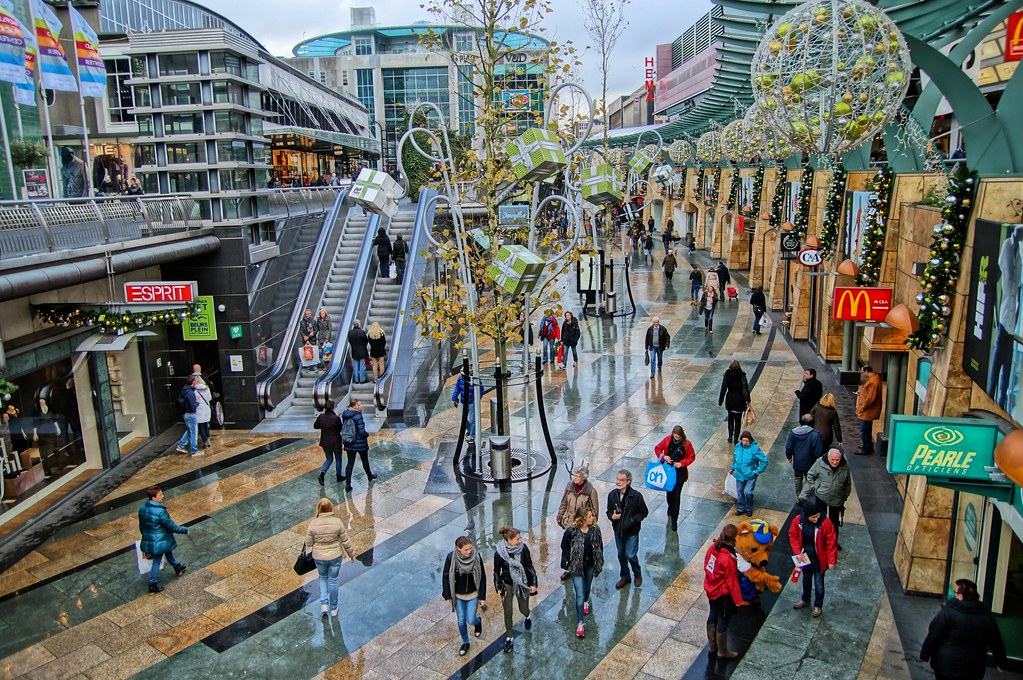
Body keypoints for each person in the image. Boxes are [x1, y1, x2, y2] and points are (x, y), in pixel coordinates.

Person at [920, 578, 1007, 680]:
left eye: (955, 592)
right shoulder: (987, 617)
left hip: (945, 665)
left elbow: (933, 634)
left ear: (960, 596)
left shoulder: (947, 612)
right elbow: (996, 642)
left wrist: (925, 654)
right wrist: (1001, 663)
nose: (954, 594)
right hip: (973, 668)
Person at [306, 498, 356, 618]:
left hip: (319, 558)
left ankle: (324, 605)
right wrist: (352, 554)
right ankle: (334, 608)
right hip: (335, 557)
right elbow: (345, 541)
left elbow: (308, 543)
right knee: (333, 581)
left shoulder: (313, 523)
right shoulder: (337, 522)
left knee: (323, 578)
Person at [788, 499, 838, 618]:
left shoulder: (825, 523)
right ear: (807, 516)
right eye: (813, 517)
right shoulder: (798, 521)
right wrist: (797, 553)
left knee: (819, 582)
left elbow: (831, 542)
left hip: (819, 559)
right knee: (806, 579)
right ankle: (805, 600)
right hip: (805, 557)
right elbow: (793, 535)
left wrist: (831, 560)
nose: (816, 519)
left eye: (817, 516)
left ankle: (818, 606)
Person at [561, 509, 604, 639]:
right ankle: (580, 622)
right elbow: (564, 545)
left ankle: (586, 600)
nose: (593, 518)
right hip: (576, 566)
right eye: (590, 516)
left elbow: (599, 545)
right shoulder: (571, 531)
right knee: (579, 592)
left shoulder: (595, 530)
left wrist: (599, 559)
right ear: (583, 518)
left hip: (590, 564)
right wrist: (570, 559)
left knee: (587, 587)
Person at [494, 526, 538, 653]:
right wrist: (498, 587)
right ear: (509, 540)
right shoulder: (499, 553)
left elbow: (529, 566)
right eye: (517, 539)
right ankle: (509, 637)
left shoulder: (523, 549)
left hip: (522, 582)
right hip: (507, 583)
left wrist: (533, 583)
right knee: (507, 612)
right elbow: (496, 571)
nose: (520, 540)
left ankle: (527, 616)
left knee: (523, 608)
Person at [703, 525, 744, 660]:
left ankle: (712, 646)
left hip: (711, 590)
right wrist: (738, 600)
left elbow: (706, 566)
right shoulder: (728, 558)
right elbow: (732, 580)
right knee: (723, 620)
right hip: (723, 595)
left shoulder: (713, 548)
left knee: (712, 615)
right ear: (733, 539)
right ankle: (722, 651)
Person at [138, 485, 188, 593]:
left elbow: (142, 527)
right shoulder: (160, 512)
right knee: (157, 560)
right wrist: (184, 530)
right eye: (160, 494)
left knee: (167, 550)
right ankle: (152, 584)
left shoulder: (142, 508)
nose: (163, 496)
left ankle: (177, 566)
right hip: (159, 540)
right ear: (153, 498)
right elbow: (171, 526)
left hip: (153, 538)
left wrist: (146, 538)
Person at [442, 536, 487, 657]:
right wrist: (447, 595)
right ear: (459, 549)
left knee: (470, 619)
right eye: (466, 549)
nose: (469, 552)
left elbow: (482, 577)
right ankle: (465, 642)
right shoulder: (451, 558)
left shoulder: (476, 557)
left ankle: (478, 622)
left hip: (473, 594)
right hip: (458, 595)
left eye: (470, 549)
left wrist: (482, 597)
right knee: (461, 620)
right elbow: (446, 575)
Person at [799, 448, 852, 546]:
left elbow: (847, 484)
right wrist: (816, 487)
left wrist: (843, 498)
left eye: (837, 460)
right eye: (833, 459)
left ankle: (833, 542)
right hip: (821, 497)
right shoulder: (819, 463)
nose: (835, 462)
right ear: (828, 457)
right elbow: (810, 475)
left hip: (836, 500)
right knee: (820, 520)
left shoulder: (845, 467)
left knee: (834, 523)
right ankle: (820, 540)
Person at [607, 469, 649, 589]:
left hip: (631, 531)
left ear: (628, 481)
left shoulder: (636, 496)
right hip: (618, 530)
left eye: (621, 480)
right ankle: (625, 576)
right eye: (617, 479)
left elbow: (644, 512)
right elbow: (609, 511)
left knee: (630, 555)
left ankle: (637, 573)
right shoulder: (612, 495)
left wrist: (632, 520)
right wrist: (612, 516)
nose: (618, 482)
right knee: (621, 554)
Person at [557, 462, 599, 581]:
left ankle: (582, 567)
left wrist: (591, 524)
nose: (574, 478)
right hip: (569, 522)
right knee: (567, 545)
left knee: (580, 547)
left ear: (584, 477)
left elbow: (595, 511)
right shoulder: (569, 486)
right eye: (574, 475)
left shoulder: (591, 491)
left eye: (577, 476)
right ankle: (567, 568)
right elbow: (564, 502)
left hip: (583, 525)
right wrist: (560, 515)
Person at [654, 425, 696, 531]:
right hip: (668, 471)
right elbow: (658, 448)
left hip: (680, 473)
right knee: (669, 493)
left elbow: (691, 457)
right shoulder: (667, 440)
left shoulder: (687, 444)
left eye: (678, 437)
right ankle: (670, 507)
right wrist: (664, 457)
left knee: (676, 495)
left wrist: (681, 463)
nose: (676, 438)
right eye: (675, 436)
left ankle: (674, 519)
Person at [341, 399, 377, 492]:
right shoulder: (357, 416)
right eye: (359, 405)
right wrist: (366, 435)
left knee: (350, 463)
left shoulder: (345, 414)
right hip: (360, 442)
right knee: (365, 460)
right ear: (355, 406)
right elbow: (361, 431)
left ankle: (348, 484)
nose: (361, 406)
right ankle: (369, 476)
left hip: (349, 441)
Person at [730, 431, 768, 517]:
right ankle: (741, 508)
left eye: (747, 441)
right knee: (740, 492)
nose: (745, 443)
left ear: (750, 440)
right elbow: (736, 459)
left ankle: (749, 508)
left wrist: (757, 471)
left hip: (750, 475)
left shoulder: (755, 449)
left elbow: (764, 461)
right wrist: (732, 468)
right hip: (739, 474)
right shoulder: (738, 447)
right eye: (743, 440)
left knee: (748, 492)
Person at [786, 414, 823, 498]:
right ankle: (807, 496)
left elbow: (788, 447)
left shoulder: (793, 433)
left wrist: (789, 457)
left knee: (797, 478)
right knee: (809, 480)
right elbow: (818, 452)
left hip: (798, 462)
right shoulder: (815, 435)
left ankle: (799, 496)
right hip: (810, 464)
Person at [719, 360, 750, 443]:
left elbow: (723, 388)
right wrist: (748, 401)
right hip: (739, 401)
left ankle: (730, 437)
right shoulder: (742, 375)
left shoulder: (727, 375)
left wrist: (720, 400)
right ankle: (736, 438)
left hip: (730, 400)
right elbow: (746, 389)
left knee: (730, 419)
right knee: (738, 420)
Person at [314, 400, 343, 485]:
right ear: (333, 407)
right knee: (338, 459)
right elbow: (341, 429)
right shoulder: (336, 418)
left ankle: (322, 474)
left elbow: (315, 426)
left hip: (325, 442)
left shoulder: (321, 417)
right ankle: (339, 476)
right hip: (336, 442)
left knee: (329, 459)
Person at [854, 366, 882, 455]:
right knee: (866, 430)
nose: (863, 374)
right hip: (868, 410)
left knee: (864, 431)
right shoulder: (873, 379)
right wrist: (861, 394)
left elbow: (871, 398)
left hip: (867, 411)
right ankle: (867, 445)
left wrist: (863, 407)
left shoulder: (873, 382)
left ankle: (866, 448)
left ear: (866, 371)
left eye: (863, 372)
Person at [174, 376, 201, 457]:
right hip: (191, 415)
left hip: (186, 414)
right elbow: (193, 406)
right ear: (193, 382)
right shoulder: (191, 393)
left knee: (189, 430)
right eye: (197, 381)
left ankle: (181, 446)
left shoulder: (185, 390)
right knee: (194, 433)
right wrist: (198, 402)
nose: (197, 383)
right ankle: (194, 451)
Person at [451, 369, 477, 444]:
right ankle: (469, 430)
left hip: (472, 402)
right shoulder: (460, 378)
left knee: (472, 420)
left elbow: (480, 390)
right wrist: (454, 398)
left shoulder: (474, 379)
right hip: (463, 402)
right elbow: (457, 388)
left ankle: (472, 436)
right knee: (463, 419)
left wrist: (476, 399)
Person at [193, 374, 213, 449]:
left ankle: (204, 441)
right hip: (206, 409)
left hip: (199, 410)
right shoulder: (206, 388)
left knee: (201, 427)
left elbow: (195, 401)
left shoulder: (195, 390)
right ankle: (208, 440)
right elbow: (210, 398)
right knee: (206, 426)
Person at [348, 319, 369, 384]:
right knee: (362, 366)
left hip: (354, 351)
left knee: (356, 365)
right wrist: (363, 346)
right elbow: (366, 340)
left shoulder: (350, 332)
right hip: (362, 351)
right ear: (359, 324)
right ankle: (362, 379)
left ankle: (356, 379)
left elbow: (349, 341)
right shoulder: (361, 332)